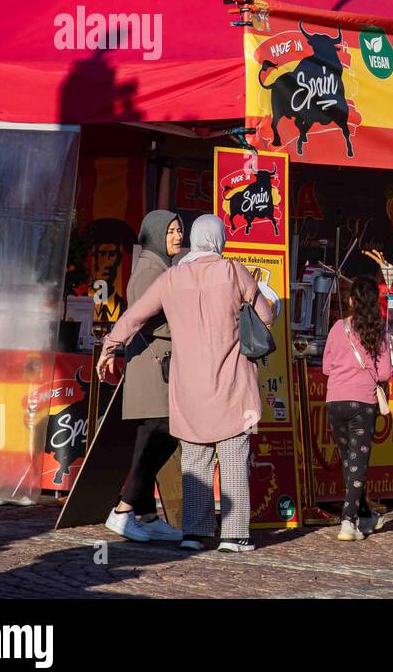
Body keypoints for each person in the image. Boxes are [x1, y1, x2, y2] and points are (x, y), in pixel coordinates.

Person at [99, 215, 274, 554]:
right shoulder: (233, 271)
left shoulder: (171, 277)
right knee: (234, 457)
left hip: (187, 386)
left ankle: (193, 533)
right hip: (231, 381)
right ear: (220, 239)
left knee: (195, 460)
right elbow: (265, 316)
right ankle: (234, 536)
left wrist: (109, 346)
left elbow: (134, 316)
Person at [104, 211, 186, 543]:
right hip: (155, 363)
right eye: (170, 231)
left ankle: (147, 514)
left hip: (154, 362)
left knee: (150, 440)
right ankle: (123, 511)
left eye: (180, 229)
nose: (178, 235)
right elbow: (143, 316)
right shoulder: (152, 270)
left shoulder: (160, 267)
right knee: (161, 434)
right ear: (154, 234)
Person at [323, 275, 393, 541]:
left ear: (351, 300)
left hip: (335, 401)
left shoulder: (337, 328)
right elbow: (385, 372)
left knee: (349, 462)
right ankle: (348, 521)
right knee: (358, 463)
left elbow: (326, 367)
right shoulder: (380, 332)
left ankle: (363, 515)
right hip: (362, 402)